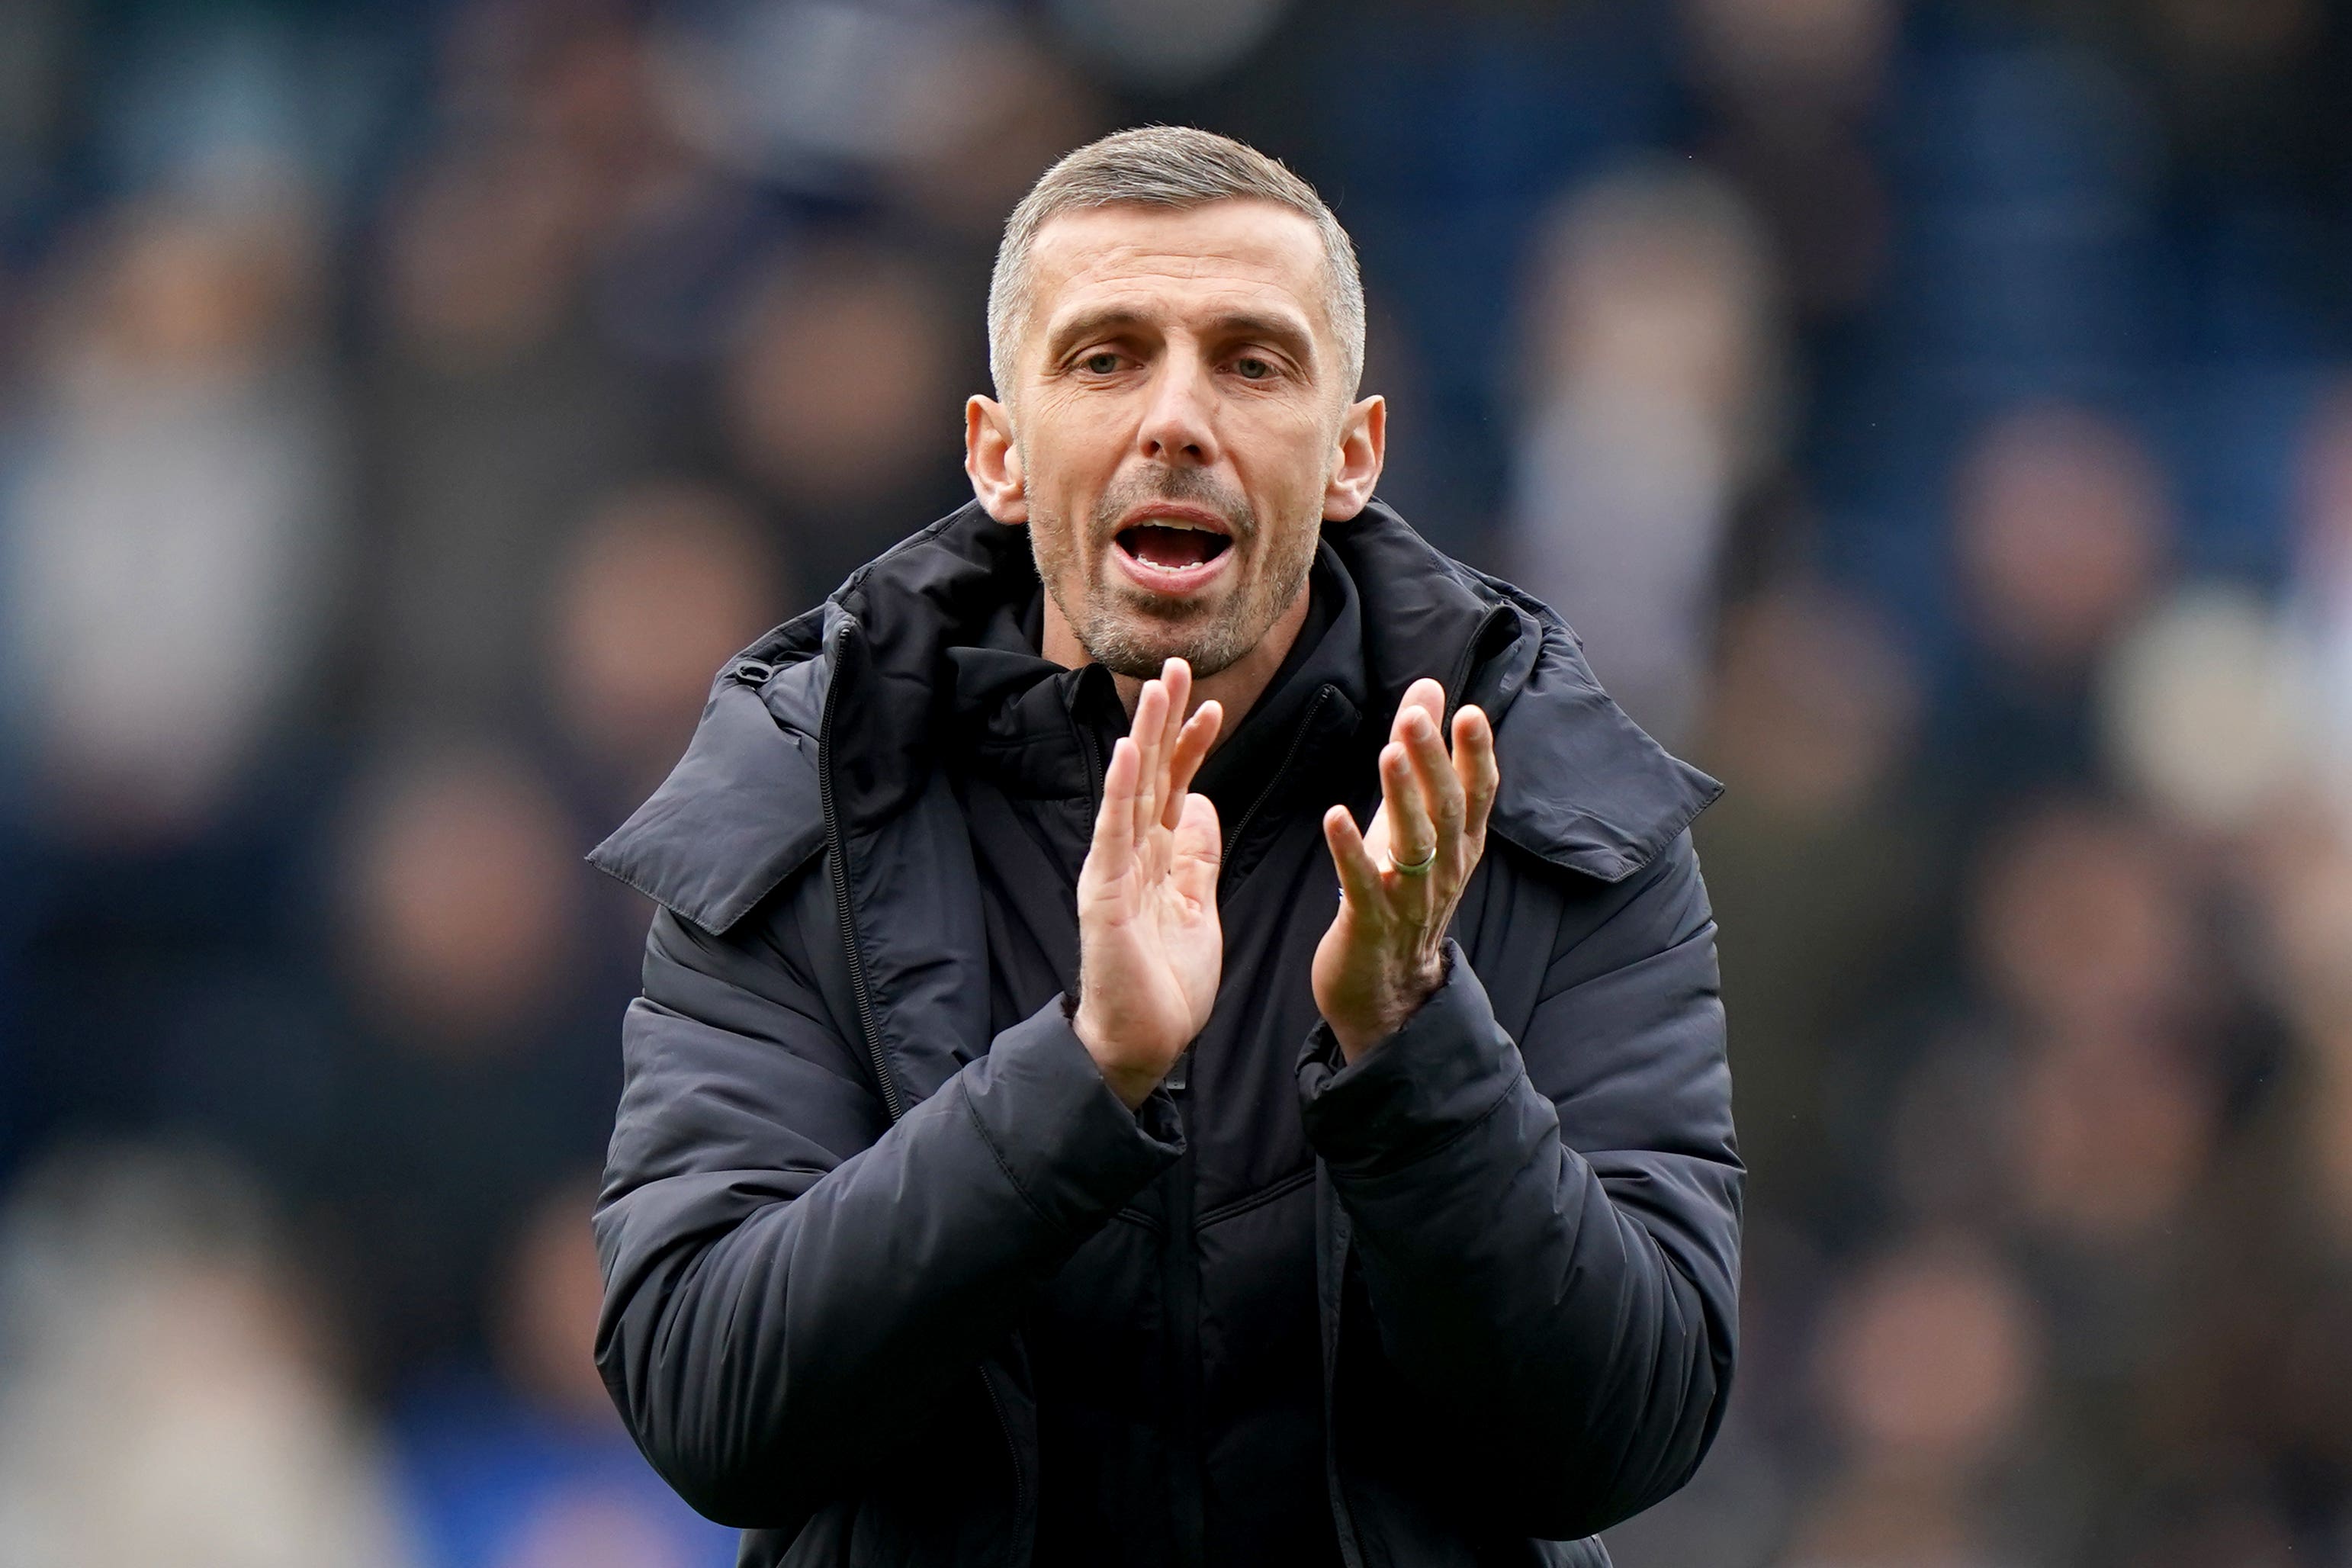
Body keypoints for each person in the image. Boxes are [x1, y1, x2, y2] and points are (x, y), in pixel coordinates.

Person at [588, 127, 1739, 1568]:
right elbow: (712, 1407)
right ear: (998, 453)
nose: (1176, 419)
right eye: (1106, 358)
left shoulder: (1538, 802)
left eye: (1252, 364)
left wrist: (1412, 1044)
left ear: (1353, 455)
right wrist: (1084, 1072)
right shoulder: (804, 799)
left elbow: (1627, 1433)